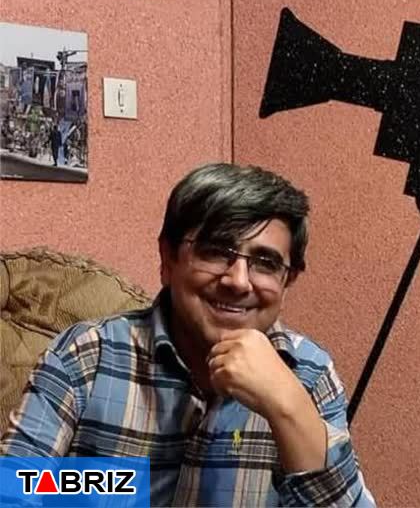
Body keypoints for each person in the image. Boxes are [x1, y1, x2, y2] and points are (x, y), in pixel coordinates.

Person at [0, 163, 375, 507]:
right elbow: (14, 491)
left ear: (287, 281)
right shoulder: (87, 356)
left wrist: (287, 405)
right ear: (168, 259)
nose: (238, 281)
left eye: (265, 262)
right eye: (216, 251)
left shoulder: (309, 373)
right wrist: (106, 486)